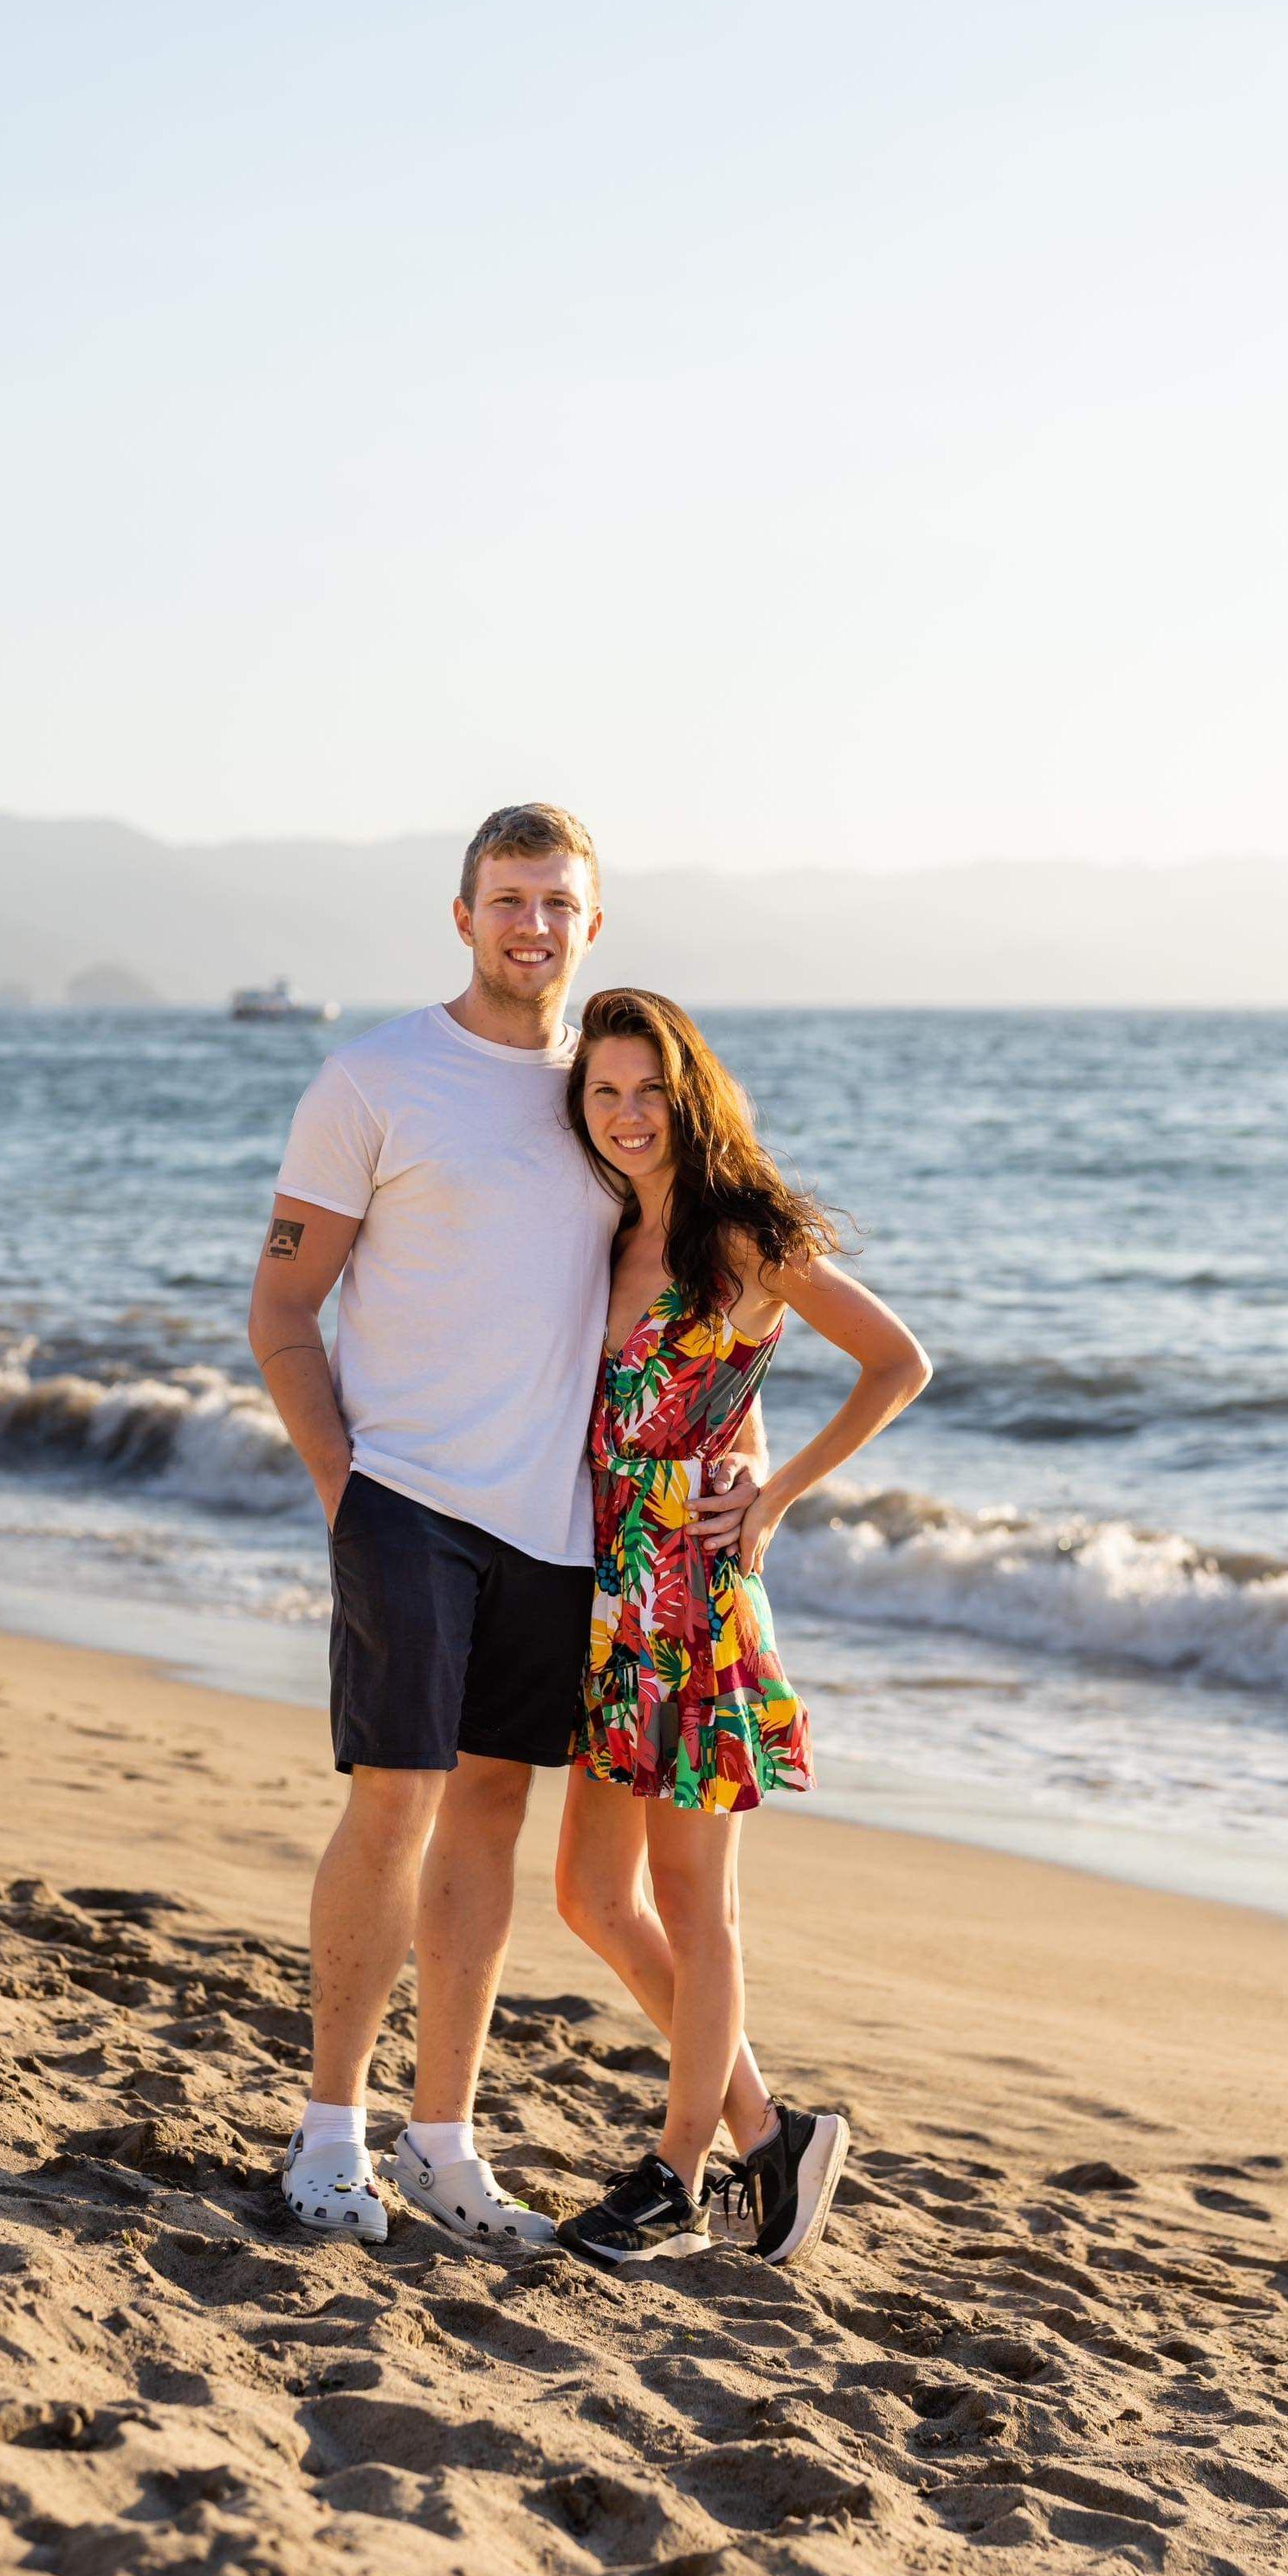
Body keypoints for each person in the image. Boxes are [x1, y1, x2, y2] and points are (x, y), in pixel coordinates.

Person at [245, 811, 763, 2248]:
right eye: (508, 900)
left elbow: (707, 1295)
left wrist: (748, 1462)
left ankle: (441, 2140)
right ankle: (329, 2133)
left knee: (488, 1812)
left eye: (558, 904)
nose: (532, 925)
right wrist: (345, 1483)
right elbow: (281, 1309)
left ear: (593, 926)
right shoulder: (374, 1080)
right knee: (394, 1802)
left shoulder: (611, 1098)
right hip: (406, 1496)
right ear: (462, 915)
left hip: (563, 1532)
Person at [547, 989, 931, 2271]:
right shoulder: (601, 1231)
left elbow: (897, 1362)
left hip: (695, 1600)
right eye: (602, 1092)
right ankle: (772, 2132)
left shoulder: (743, 1240)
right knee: (590, 1893)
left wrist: (770, 1491)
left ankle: (678, 2172)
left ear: (688, 1093)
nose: (626, 1115)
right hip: (610, 1595)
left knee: (689, 1899)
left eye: (647, 1090)